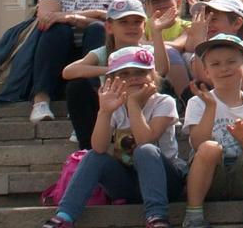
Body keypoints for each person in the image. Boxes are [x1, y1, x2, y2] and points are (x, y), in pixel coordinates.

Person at [40, 46, 185, 228]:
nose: (133, 78)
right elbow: (99, 147)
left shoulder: (164, 102)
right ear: (111, 81)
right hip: (128, 184)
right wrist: (105, 111)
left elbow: (144, 140)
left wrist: (133, 104)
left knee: (145, 150)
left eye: (140, 72)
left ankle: (157, 217)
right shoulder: (115, 105)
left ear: (153, 76)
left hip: (165, 182)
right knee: (93, 156)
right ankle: (64, 216)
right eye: (124, 74)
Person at [29, 0, 130, 123]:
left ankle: (90, 100)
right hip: (57, 48)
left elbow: (113, 23)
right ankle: (41, 100)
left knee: (97, 29)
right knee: (57, 30)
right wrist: (94, 14)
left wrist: (73, 17)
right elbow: (45, 16)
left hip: (94, 48)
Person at [182, 34, 243, 228]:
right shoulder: (198, 102)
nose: (224, 68)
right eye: (215, 64)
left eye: (231, 62)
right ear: (206, 72)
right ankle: (193, 215)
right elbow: (197, 144)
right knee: (209, 147)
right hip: (211, 177)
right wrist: (210, 107)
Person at [62, 0, 171, 149]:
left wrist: (157, 32)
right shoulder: (102, 53)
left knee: (163, 84)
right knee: (76, 87)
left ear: (144, 26)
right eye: (123, 22)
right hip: (110, 109)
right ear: (109, 27)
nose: (131, 27)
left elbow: (161, 70)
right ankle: (86, 148)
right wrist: (113, 69)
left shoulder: (147, 52)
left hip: (142, 109)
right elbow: (68, 71)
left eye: (136, 22)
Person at [141, 0, 193, 98]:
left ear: (178, 1)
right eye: (155, 1)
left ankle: (184, 98)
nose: (161, 3)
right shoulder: (143, 25)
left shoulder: (186, 25)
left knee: (170, 51)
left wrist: (152, 42)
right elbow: (140, 42)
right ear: (147, 6)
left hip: (179, 67)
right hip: (151, 69)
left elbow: (179, 44)